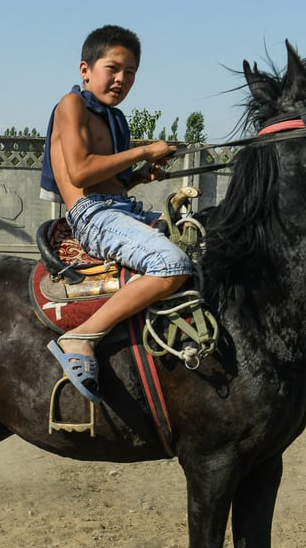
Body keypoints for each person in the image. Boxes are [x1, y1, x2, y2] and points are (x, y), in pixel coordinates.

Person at [40, 24, 192, 404]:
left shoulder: (116, 118)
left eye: (131, 73)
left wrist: (140, 176)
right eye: (113, 68)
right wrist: (142, 152)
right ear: (85, 69)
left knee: (199, 237)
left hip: (117, 206)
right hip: (92, 216)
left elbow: (112, 182)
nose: (122, 79)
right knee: (170, 264)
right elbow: (80, 173)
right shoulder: (71, 105)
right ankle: (81, 337)